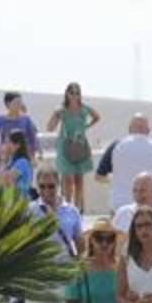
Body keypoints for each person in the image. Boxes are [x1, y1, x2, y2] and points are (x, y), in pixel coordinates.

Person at [26, 166, 82, 303]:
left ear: (58, 185)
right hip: (38, 276)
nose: (47, 191)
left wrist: (81, 269)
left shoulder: (71, 210)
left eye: (51, 186)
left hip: (65, 274)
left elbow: (79, 242)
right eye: (42, 187)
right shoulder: (29, 211)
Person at [95, 114, 152, 213]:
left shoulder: (117, 146)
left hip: (119, 205)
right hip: (150, 208)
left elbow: (99, 176)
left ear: (129, 129)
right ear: (148, 130)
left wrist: (115, 180)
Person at [47, 82, 101, 212]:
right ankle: (67, 207)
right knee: (67, 180)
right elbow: (50, 128)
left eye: (77, 93)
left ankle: (77, 209)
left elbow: (97, 117)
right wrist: (55, 114)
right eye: (72, 92)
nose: (74, 95)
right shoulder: (62, 110)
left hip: (80, 146)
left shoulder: (84, 109)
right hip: (65, 147)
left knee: (79, 180)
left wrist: (86, 126)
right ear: (67, 93)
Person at [0, 91, 39, 168]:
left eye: (20, 102)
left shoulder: (26, 119)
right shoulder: (0, 119)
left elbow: (32, 140)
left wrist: (32, 157)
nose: (19, 105)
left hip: (22, 157)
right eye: (16, 103)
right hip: (5, 158)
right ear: (8, 104)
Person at [0, 130, 34, 198]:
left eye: (8, 142)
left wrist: (3, 157)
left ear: (17, 145)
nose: (5, 145)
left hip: (21, 201)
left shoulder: (22, 162)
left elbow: (6, 180)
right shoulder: (12, 162)